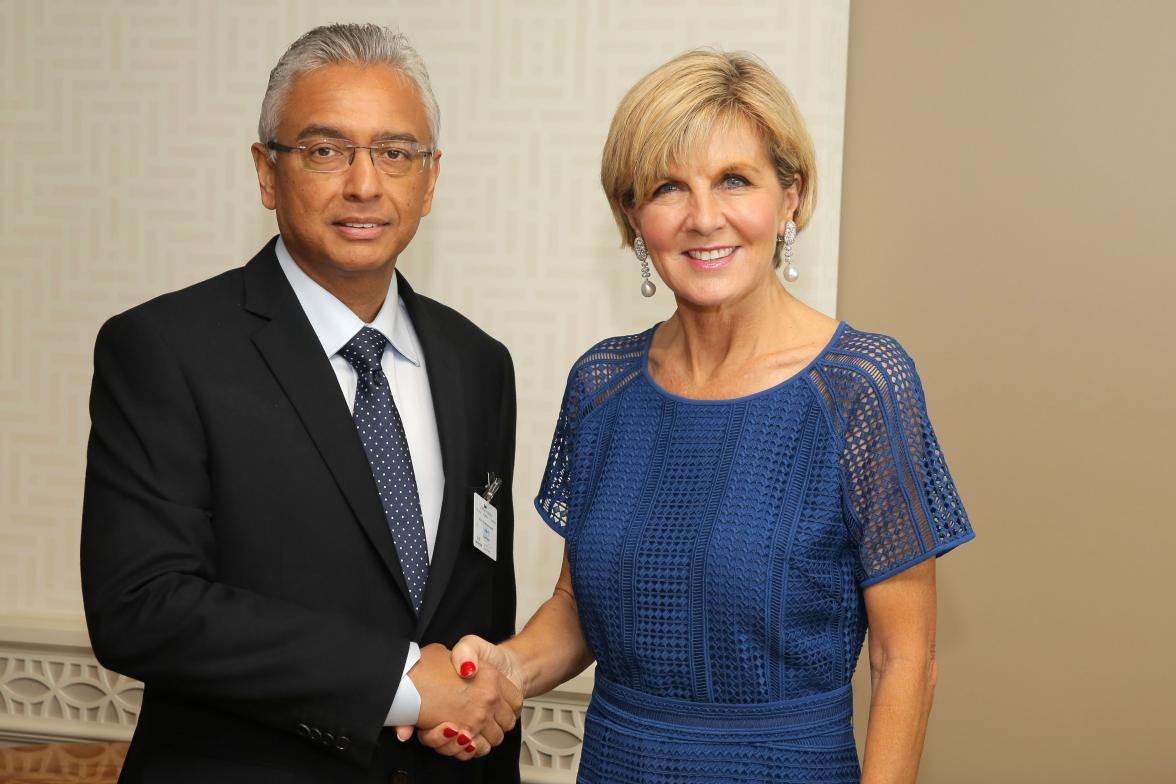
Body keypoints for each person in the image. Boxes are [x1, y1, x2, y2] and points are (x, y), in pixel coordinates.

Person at [418, 50, 975, 783]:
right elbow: (580, 606)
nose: (703, 217)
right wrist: (506, 665)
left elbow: (906, 661)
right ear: (631, 216)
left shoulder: (863, 384)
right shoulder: (601, 383)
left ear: (791, 197)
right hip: (619, 763)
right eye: (668, 187)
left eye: (735, 180)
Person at [80, 24, 521, 784]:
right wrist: (401, 683)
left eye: (395, 152)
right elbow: (141, 605)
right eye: (325, 150)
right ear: (266, 171)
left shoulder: (479, 364)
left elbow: (480, 610)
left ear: (430, 178)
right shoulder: (165, 348)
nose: (364, 184)